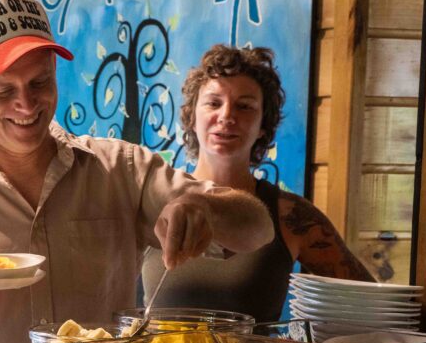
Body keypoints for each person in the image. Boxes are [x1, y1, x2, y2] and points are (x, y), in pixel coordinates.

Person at [0, 0, 274, 343]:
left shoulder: (122, 170)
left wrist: (204, 207)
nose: (26, 104)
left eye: (40, 82)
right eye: (3, 90)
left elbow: (257, 228)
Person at [141, 44, 374, 322]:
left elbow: (369, 303)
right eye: (213, 103)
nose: (227, 116)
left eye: (244, 106)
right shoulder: (150, 197)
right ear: (191, 117)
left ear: (264, 124)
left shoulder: (289, 215)